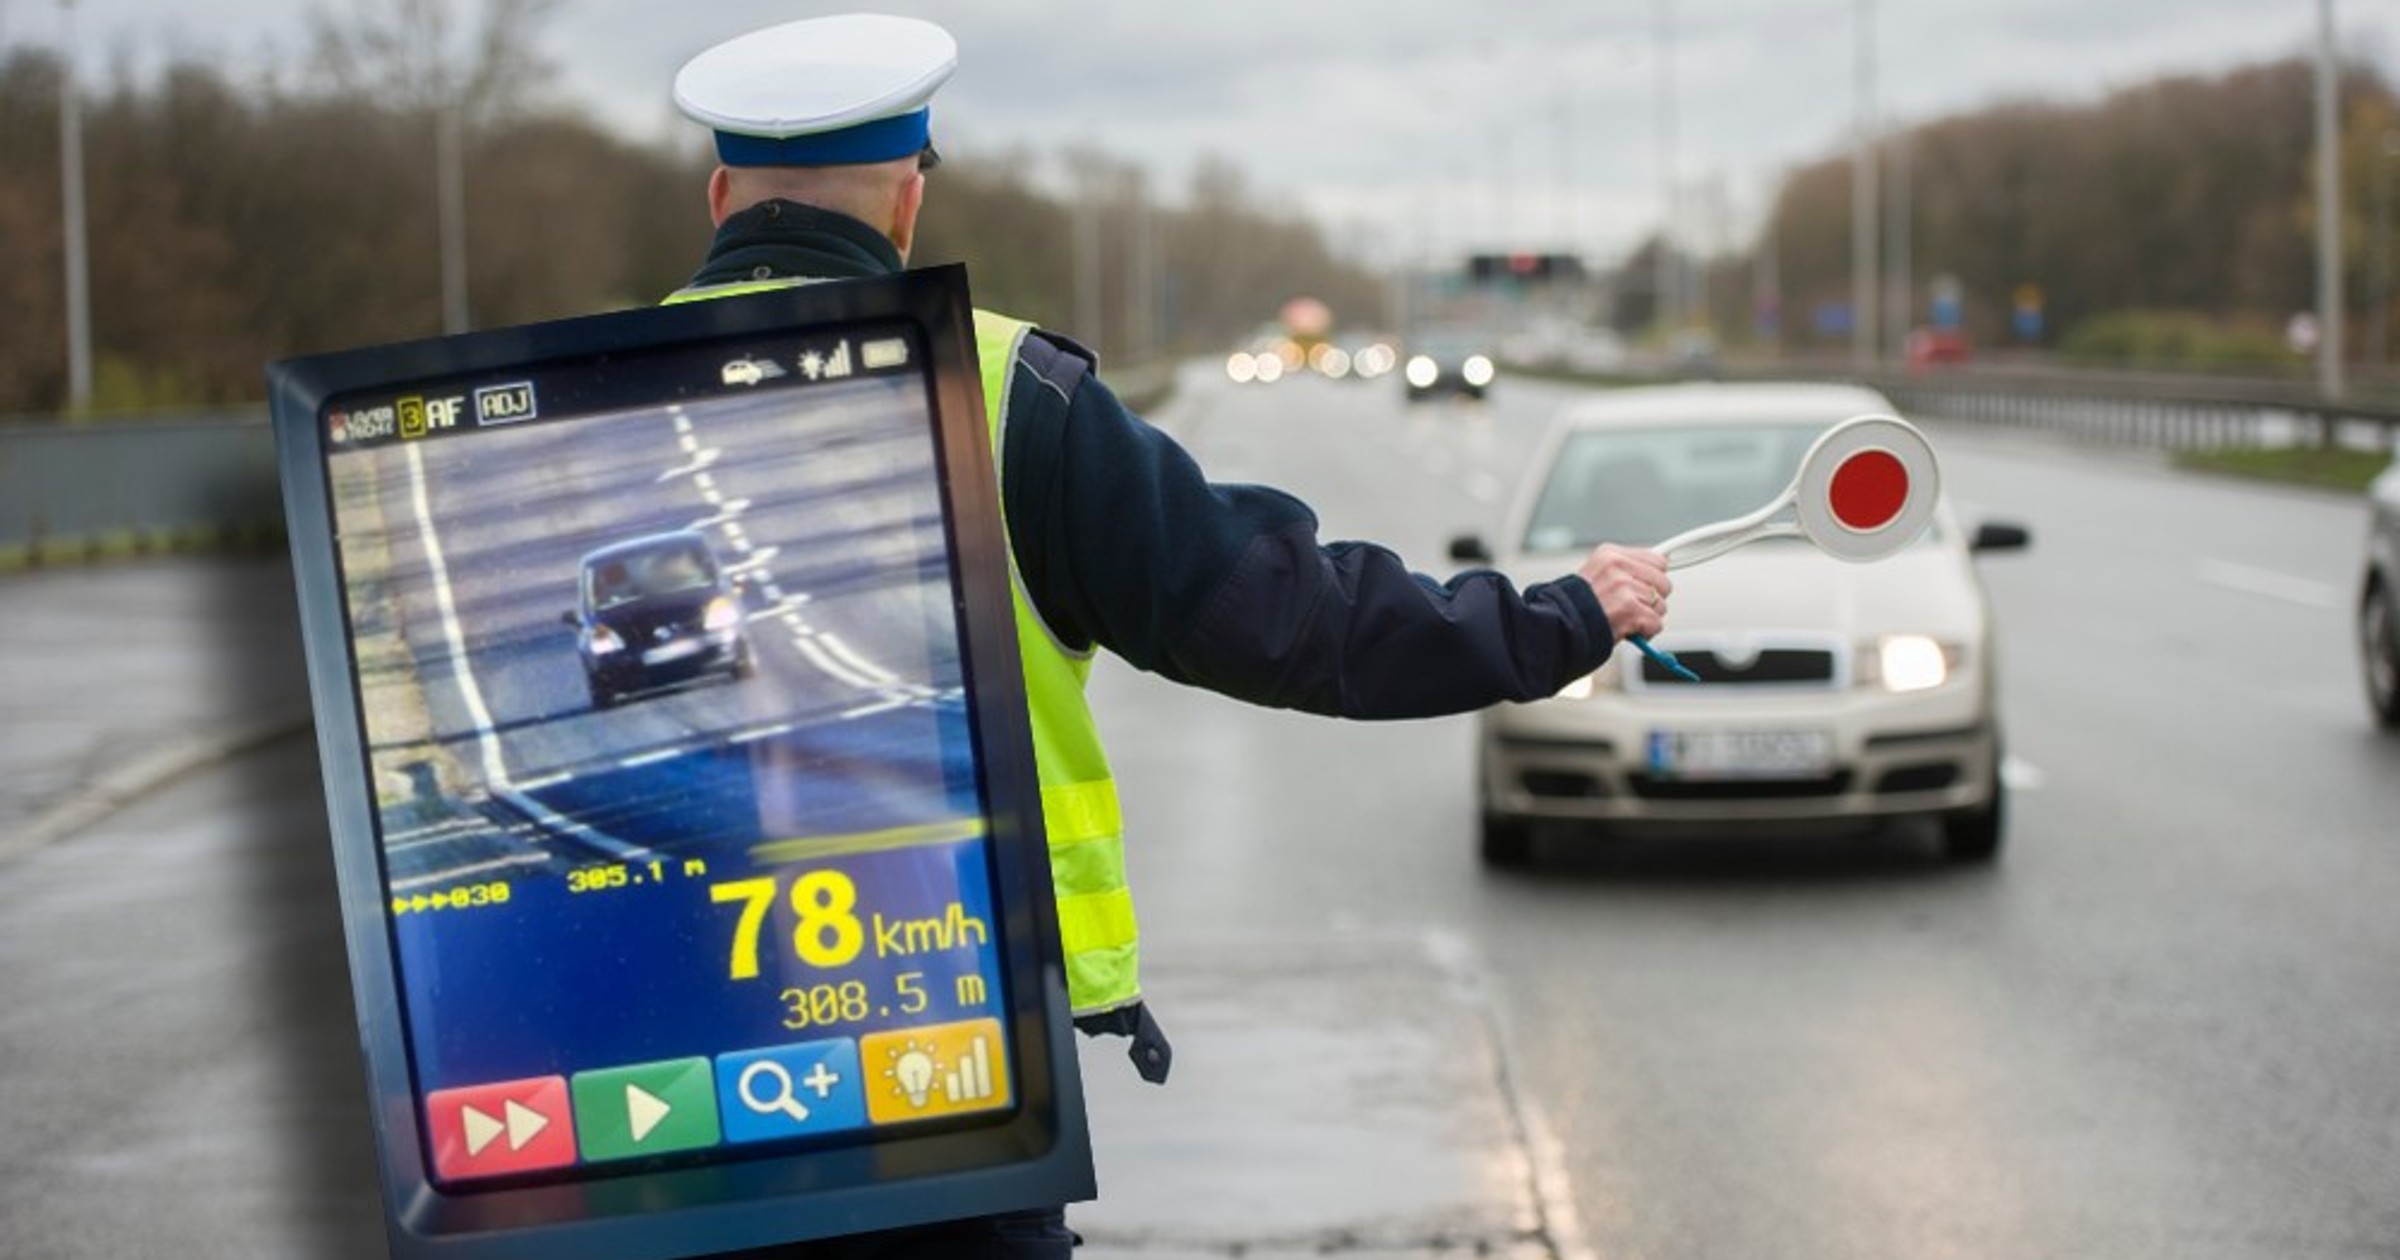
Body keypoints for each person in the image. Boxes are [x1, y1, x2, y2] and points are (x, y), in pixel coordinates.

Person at [667, 16, 1672, 1258]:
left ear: (719, 197)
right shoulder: (1006, 396)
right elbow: (1289, 622)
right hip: (948, 1056)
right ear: (906, 199)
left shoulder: (564, 416)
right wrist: (1552, 621)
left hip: (635, 1077)